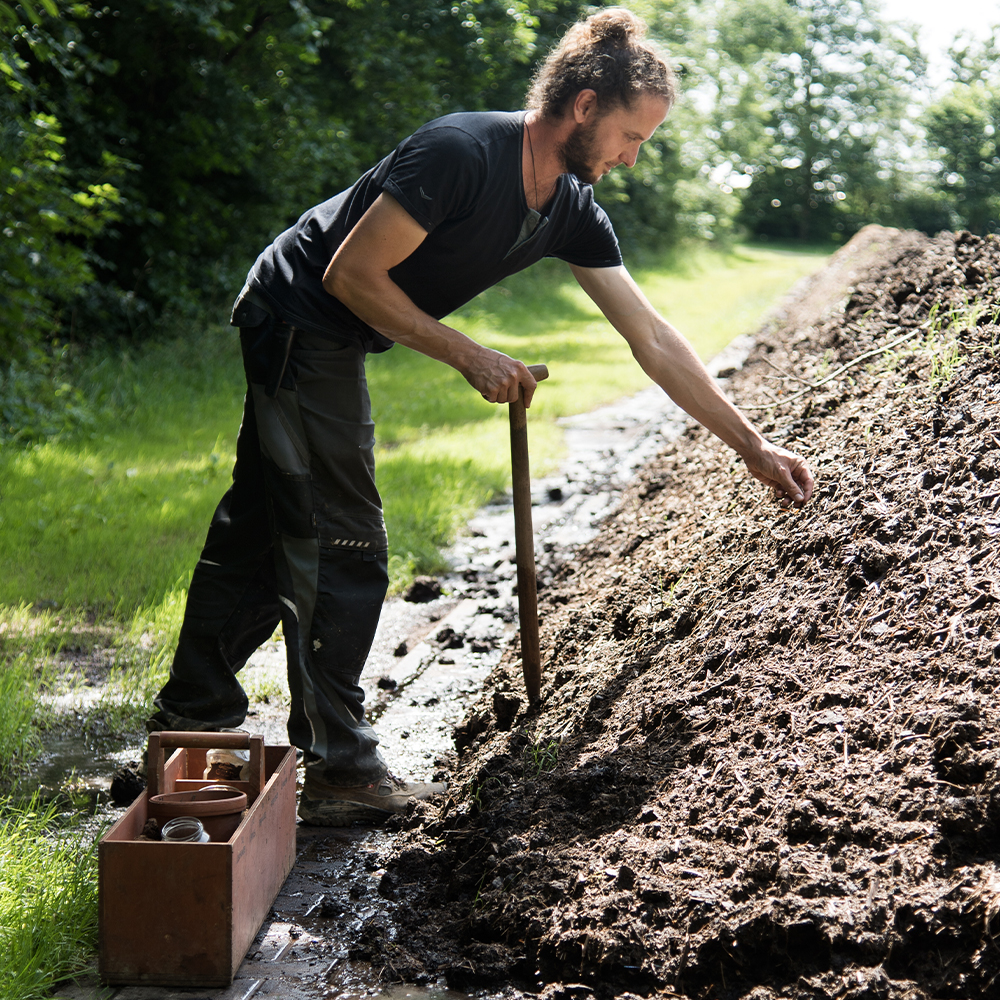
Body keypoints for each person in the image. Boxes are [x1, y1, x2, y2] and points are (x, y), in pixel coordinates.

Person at [145, 8, 814, 827]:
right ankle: (337, 768)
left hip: (330, 329)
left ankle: (191, 716)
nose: (633, 158)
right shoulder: (461, 152)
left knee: (264, 523)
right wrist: (470, 355)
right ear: (584, 105)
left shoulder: (569, 206)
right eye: (632, 136)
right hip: (300, 315)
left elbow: (652, 337)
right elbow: (351, 273)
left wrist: (750, 445)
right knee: (342, 539)